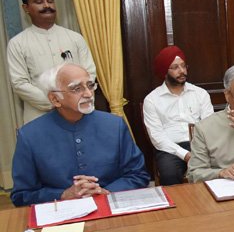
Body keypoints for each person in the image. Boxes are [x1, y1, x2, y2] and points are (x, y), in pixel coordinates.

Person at [11, 64, 149, 206]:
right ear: (55, 99)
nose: (89, 94)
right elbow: (21, 195)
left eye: (90, 85)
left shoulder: (115, 125)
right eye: (77, 88)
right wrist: (63, 195)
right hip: (60, 216)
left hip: (111, 208)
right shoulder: (30, 135)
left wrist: (105, 191)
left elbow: (138, 175)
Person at [7, 0, 97, 124]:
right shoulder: (17, 43)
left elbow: (89, 72)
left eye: (50, 0)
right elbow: (20, 83)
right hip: (40, 116)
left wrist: (74, 99)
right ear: (26, 8)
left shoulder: (75, 37)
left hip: (79, 113)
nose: (46, 5)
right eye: (39, 2)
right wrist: (56, 101)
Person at [143, 46, 214, 185]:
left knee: (220, 167)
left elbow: (210, 125)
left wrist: (200, 150)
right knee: (169, 174)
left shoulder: (200, 93)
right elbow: (157, 137)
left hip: (200, 144)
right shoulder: (152, 100)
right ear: (164, 71)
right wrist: (186, 155)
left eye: (183, 66)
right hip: (170, 149)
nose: (182, 71)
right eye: (175, 67)